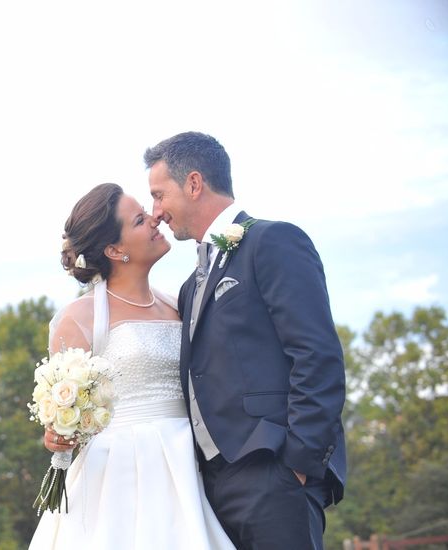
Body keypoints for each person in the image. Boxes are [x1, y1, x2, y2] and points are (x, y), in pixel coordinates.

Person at [145, 131, 347, 549]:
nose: (156, 211)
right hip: (212, 488)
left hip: (274, 473)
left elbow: (317, 355)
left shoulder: (272, 241)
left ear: (195, 183)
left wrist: (298, 464)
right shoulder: (188, 286)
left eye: (159, 195)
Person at [29, 183, 234, 549]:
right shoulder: (78, 318)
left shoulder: (180, 304)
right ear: (115, 250)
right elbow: (61, 425)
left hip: (189, 463)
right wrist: (56, 435)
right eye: (140, 219)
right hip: (119, 474)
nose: (156, 218)